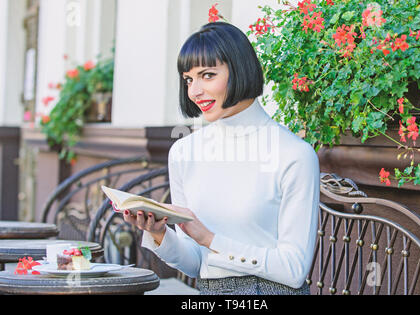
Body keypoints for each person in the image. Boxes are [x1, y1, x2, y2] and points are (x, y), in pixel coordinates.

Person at [123, 22, 320, 295]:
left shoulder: (294, 155)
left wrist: (211, 239)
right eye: (189, 79)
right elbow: (196, 263)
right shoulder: (183, 153)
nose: (195, 91)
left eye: (207, 75)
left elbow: (294, 269)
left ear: (239, 69)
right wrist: (159, 233)